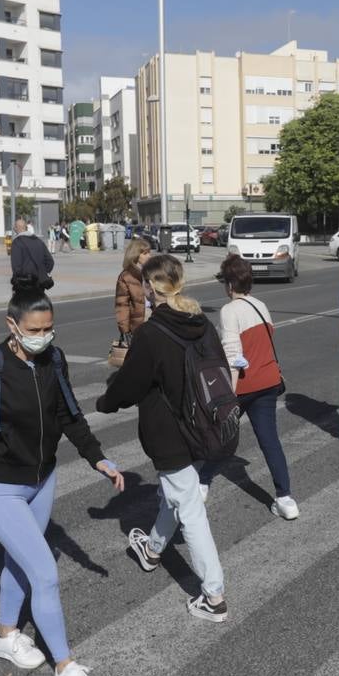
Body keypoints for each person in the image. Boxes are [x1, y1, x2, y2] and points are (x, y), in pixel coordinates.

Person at [0, 287, 124, 676]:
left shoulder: (53, 360)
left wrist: (98, 459)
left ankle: (4, 634)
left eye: (49, 327)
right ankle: (66, 668)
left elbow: (69, 415)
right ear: (12, 326)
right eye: (35, 329)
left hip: (43, 479)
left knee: (20, 560)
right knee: (45, 574)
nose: (43, 335)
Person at [96, 254, 229, 623]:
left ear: (151, 288)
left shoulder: (151, 333)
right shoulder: (200, 321)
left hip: (168, 431)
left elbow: (129, 385)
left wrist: (105, 402)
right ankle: (153, 550)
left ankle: (214, 595)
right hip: (205, 423)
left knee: (189, 507)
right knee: (179, 492)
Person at [198, 255, 299, 520]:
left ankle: (202, 482)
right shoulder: (261, 305)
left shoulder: (229, 311)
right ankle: (285, 499)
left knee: (219, 434)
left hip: (243, 384)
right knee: (270, 441)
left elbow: (233, 355)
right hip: (268, 382)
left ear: (230, 284)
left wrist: (227, 396)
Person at [113, 237, 152, 339]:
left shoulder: (151, 272)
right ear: (135, 255)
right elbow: (122, 305)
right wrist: (124, 330)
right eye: (145, 253)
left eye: (149, 252)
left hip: (154, 318)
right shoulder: (126, 276)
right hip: (139, 322)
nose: (149, 256)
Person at [10, 217, 54, 290]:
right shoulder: (38, 241)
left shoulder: (17, 243)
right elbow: (50, 261)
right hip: (40, 284)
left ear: (16, 229)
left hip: (24, 285)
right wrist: (42, 272)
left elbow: (16, 267)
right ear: (26, 228)